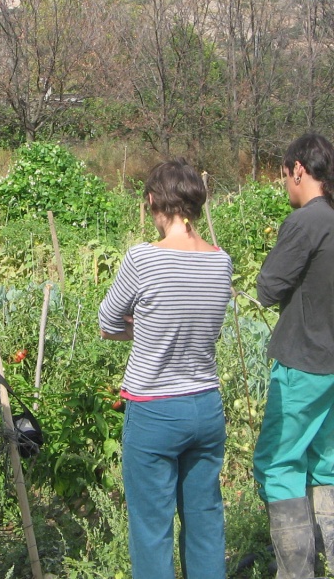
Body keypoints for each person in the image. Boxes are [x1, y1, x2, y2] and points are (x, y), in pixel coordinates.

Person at [98, 158, 233, 579]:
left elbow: (107, 322)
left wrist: (145, 331)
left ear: (153, 201)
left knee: (152, 527)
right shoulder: (220, 261)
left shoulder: (143, 259)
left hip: (155, 407)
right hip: (206, 406)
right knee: (205, 520)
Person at [253, 134, 334, 579]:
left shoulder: (307, 221)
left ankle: (297, 573)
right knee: (326, 463)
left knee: (279, 463)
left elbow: (269, 288)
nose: (285, 184)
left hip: (305, 359)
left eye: (285, 175)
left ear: (299, 169)